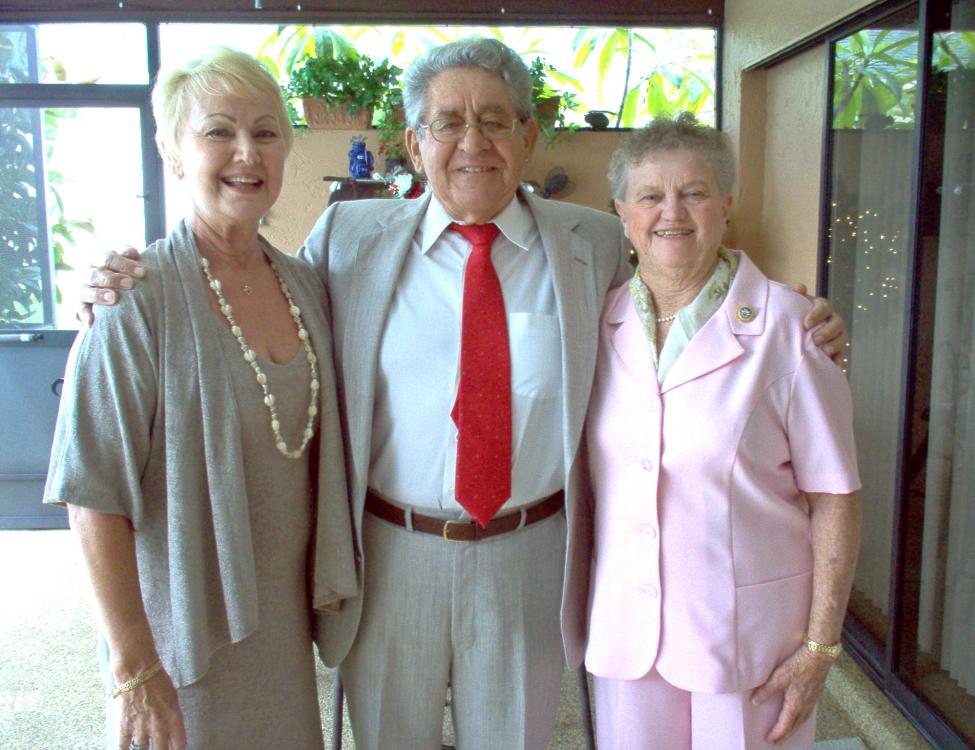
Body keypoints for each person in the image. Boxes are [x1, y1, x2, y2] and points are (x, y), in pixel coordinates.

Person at [79, 38, 847, 750]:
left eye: (494, 121)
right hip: (389, 556)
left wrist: (795, 317)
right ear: (415, 144)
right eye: (447, 122)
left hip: (530, 556)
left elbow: (677, 277)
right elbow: (250, 283)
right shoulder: (348, 240)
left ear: (528, 136)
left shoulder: (592, 244)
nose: (471, 142)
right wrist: (108, 284)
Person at [45, 47, 358, 750]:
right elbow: (91, 496)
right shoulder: (134, 301)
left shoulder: (306, 286)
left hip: (280, 632)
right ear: (173, 152)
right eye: (219, 131)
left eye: (266, 132)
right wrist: (133, 669)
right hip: (179, 639)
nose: (247, 153)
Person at [583, 115, 862, 750]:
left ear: (726, 204)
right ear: (622, 212)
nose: (671, 212)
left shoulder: (790, 327)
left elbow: (836, 497)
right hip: (629, 634)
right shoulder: (597, 321)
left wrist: (820, 647)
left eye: (695, 192)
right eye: (650, 196)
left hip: (751, 641)